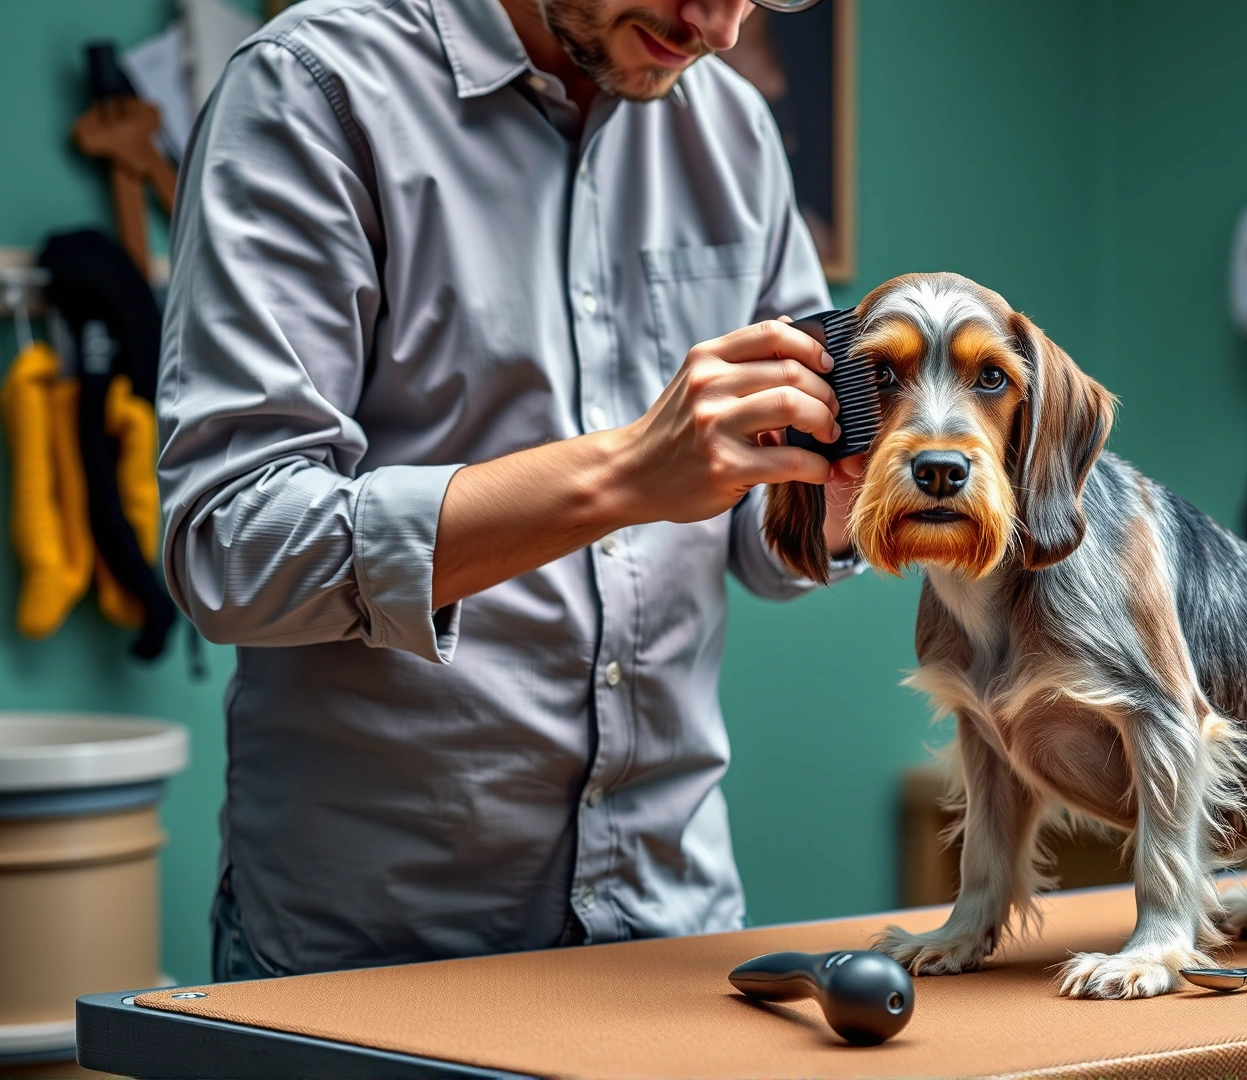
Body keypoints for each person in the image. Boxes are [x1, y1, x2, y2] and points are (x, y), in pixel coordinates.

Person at [158, 0, 867, 979]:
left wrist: (838, 493)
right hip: (376, 961)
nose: (720, 28)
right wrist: (621, 475)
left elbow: (762, 536)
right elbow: (233, 546)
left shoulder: (732, 128)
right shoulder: (312, 89)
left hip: (671, 938)